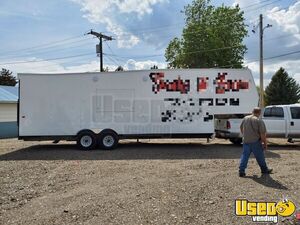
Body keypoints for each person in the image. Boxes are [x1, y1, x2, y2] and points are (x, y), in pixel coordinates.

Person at [239, 107, 272, 177]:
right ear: (259, 113)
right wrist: (265, 144)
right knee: (260, 156)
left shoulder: (245, 118)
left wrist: (244, 135)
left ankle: (241, 171)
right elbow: (262, 134)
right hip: (255, 142)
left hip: (246, 141)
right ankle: (264, 170)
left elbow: (241, 128)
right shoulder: (259, 120)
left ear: (252, 111)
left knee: (245, 156)